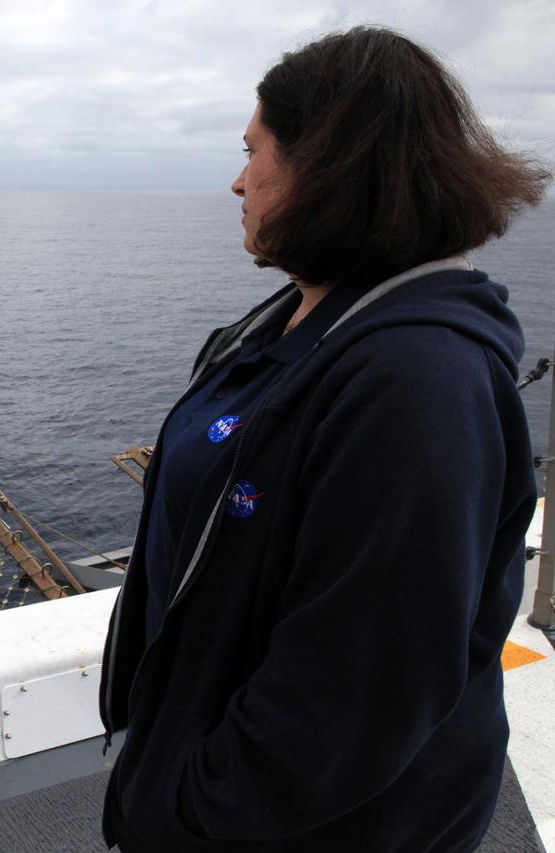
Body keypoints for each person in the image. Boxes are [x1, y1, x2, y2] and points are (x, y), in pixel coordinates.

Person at [98, 26, 550, 852]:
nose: (239, 181)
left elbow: (356, 694)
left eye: (254, 150)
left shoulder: (418, 383)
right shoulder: (281, 323)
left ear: (329, 165)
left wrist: (188, 810)